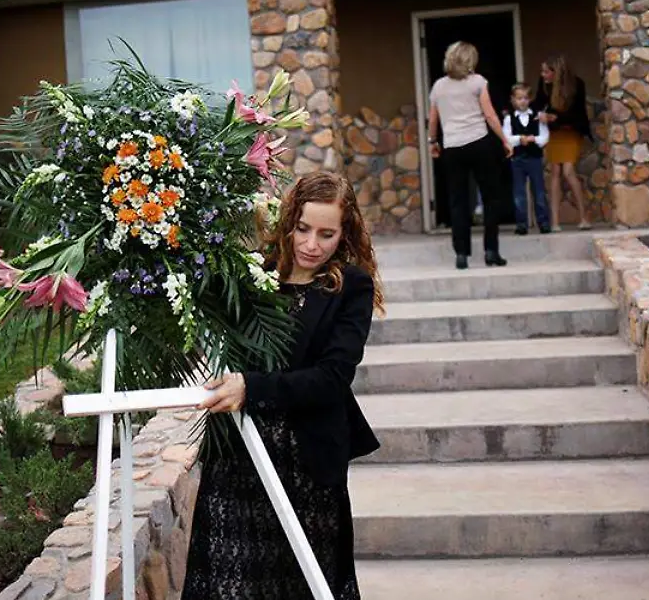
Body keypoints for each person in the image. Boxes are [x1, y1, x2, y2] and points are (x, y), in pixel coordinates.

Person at [183, 171, 384, 600]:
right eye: (303, 229)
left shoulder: (350, 287)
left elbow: (332, 378)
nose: (312, 244)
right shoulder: (253, 274)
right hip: (238, 459)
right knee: (230, 583)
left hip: (307, 463)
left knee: (304, 584)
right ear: (289, 220)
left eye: (326, 234)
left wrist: (251, 389)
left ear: (344, 233)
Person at [427, 41, 514, 270]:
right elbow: (490, 115)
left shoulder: (438, 87)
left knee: (458, 201)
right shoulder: (478, 82)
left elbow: (433, 119)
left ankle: (461, 254)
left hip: (453, 147)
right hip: (480, 143)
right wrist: (505, 139)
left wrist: (433, 142)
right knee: (490, 197)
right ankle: (491, 251)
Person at [533, 55, 592, 231]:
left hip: (571, 130)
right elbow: (538, 103)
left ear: (556, 72)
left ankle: (583, 217)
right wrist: (538, 114)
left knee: (567, 170)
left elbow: (577, 113)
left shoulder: (576, 84)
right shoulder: (545, 85)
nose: (543, 75)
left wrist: (554, 117)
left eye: (546, 71)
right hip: (555, 132)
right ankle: (555, 222)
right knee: (555, 171)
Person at [501, 83, 551, 235]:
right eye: (519, 98)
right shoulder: (509, 119)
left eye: (525, 98)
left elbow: (544, 137)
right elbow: (506, 137)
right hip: (517, 160)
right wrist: (519, 139)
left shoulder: (537, 117)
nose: (522, 101)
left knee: (539, 191)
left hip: (534, 158)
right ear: (513, 100)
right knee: (519, 192)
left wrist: (533, 139)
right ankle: (521, 223)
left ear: (529, 100)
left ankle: (543, 222)